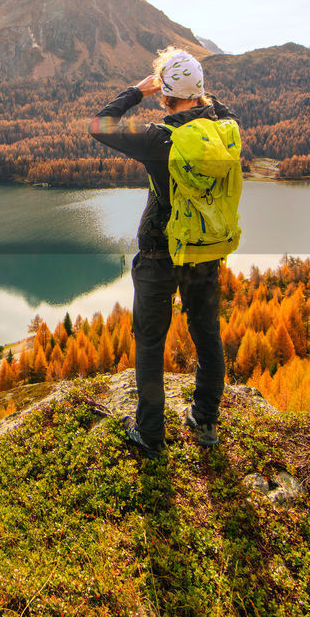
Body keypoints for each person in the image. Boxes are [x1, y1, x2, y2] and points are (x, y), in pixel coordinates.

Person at [88, 47, 237, 456]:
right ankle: (205, 423)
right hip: (204, 250)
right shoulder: (225, 130)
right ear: (202, 92)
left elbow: (100, 125)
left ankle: (151, 433)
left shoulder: (160, 139)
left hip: (159, 251)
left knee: (151, 341)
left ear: (164, 95)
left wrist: (137, 90)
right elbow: (215, 108)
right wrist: (199, 93)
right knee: (207, 334)